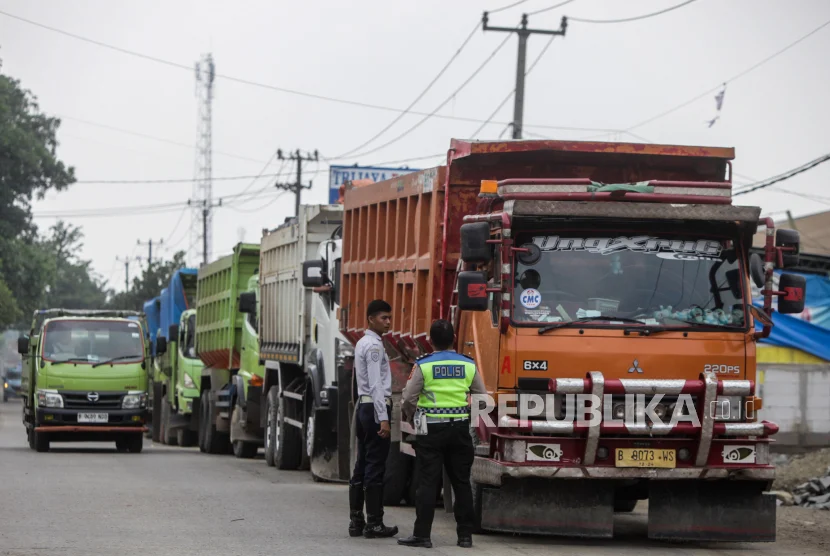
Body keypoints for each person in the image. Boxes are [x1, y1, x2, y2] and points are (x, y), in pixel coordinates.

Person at [397, 319, 487, 549]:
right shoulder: (468, 364)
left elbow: (408, 398)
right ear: (454, 339)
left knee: (428, 482)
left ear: (430, 341)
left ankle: (422, 536)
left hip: (431, 431)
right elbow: (482, 396)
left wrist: (411, 417)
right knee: (461, 483)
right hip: (460, 429)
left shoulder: (424, 365)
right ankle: (465, 536)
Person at [348, 299, 398, 539]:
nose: (388, 322)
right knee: (375, 465)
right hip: (375, 408)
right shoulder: (375, 347)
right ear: (370, 319)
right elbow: (377, 385)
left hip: (364, 408)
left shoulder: (362, 342)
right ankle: (374, 523)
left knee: (362, 463)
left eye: (389, 318)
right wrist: (383, 418)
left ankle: (356, 521)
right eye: (383, 318)